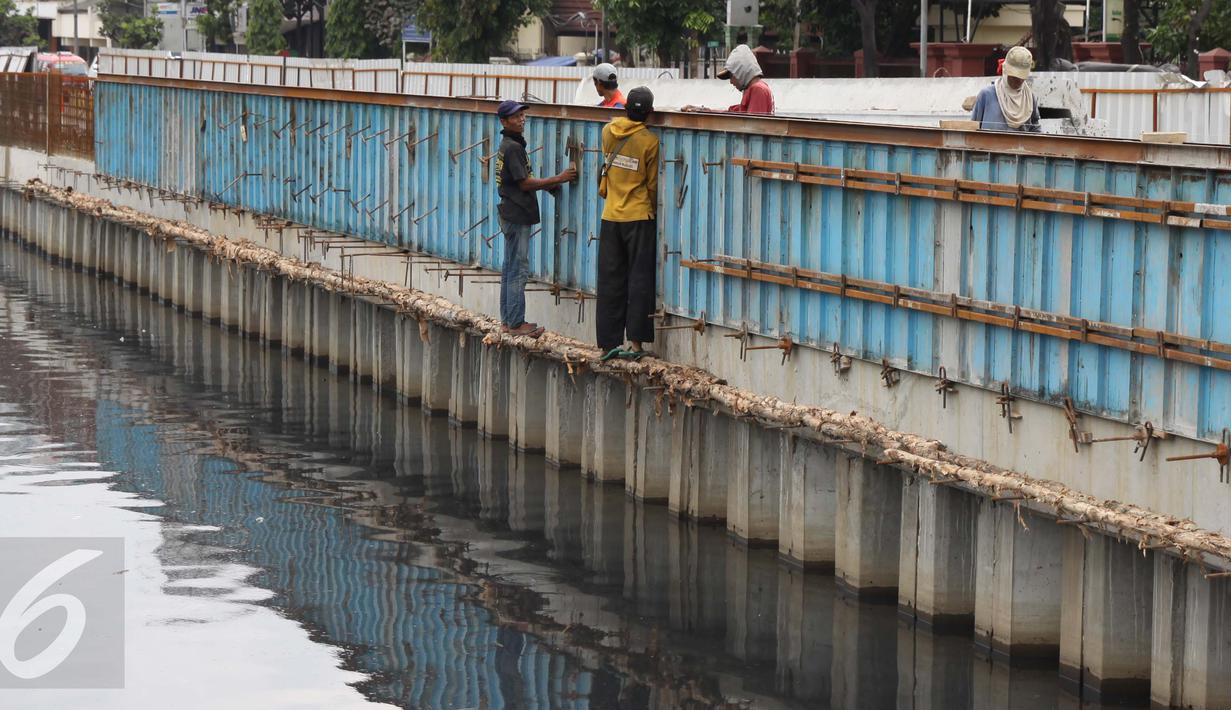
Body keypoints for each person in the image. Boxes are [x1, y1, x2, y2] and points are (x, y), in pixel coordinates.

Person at [494, 100, 577, 338]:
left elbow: (520, 180)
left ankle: (508, 322)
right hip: (517, 214)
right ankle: (517, 323)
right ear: (504, 121)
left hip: (511, 211)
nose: (521, 119)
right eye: (515, 116)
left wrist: (547, 185)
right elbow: (524, 182)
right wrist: (558, 178)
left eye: (522, 115)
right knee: (517, 269)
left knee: (509, 268)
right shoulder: (512, 148)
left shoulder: (510, 145)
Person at [596, 87, 659, 360]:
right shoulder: (650, 141)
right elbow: (652, 184)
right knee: (639, 280)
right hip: (638, 217)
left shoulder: (608, 132)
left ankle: (608, 342)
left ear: (625, 109)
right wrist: (651, 210)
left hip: (610, 215)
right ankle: (635, 344)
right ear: (649, 113)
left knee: (610, 280)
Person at [681, 44, 775, 115]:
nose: (731, 82)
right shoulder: (755, 88)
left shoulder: (758, 89)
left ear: (740, 72)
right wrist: (703, 110)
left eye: (731, 76)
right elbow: (733, 114)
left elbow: (753, 127)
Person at [971, 46, 1040, 132]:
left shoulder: (1029, 98)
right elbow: (973, 128)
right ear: (1006, 71)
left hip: (1020, 146)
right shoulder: (986, 95)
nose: (1019, 80)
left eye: (1022, 76)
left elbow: (1035, 129)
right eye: (1015, 76)